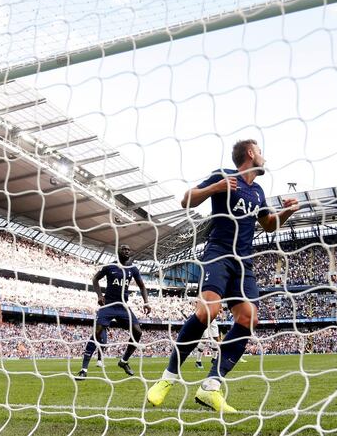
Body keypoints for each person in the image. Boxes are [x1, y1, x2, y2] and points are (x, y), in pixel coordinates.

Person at [146, 139, 299, 413]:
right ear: (250, 154)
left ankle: (211, 388)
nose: (264, 156)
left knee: (248, 318)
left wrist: (286, 211)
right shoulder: (223, 176)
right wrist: (215, 188)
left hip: (244, 263)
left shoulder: (258, 192)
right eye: (260, 151)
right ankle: (167, 379)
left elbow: (269, 225)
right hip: (218, 253)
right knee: (208, 312)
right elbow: (186, 199)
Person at [76, 244, 151, 380]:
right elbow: (95, 279)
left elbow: (142, 286)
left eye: (129, 249)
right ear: (118, 252)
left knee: (138, 332)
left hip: (123, 306)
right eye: (124, 249)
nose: (127, 251)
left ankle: (123, 361)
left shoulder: (133, 269)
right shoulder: (110, 267)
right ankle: (83, 369)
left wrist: (146, 302)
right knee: (97, 332)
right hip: (108, 305)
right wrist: (99, 295)